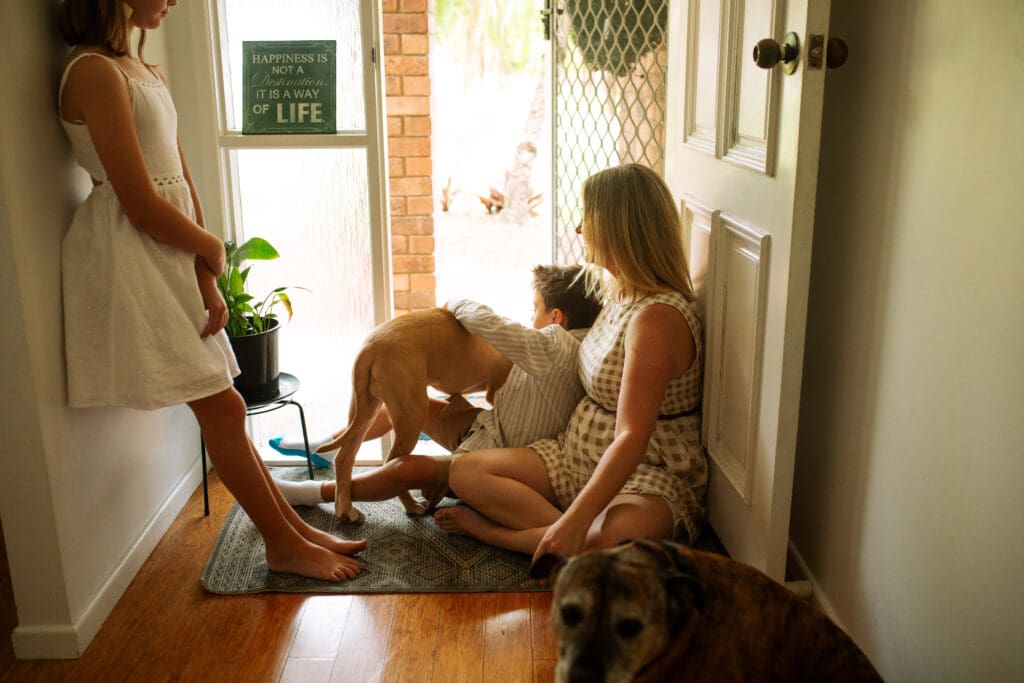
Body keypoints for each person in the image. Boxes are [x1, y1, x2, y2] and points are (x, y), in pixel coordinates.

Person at [57, 0, 366, 581]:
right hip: (135, 256)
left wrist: (208, 271)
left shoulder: (142, 70)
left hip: (173, 253)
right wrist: (212, 248)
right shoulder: (93, 71)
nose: (173, 2)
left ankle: (295, 531)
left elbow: (180, 178)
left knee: (225, 399)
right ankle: (283, 543)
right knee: (224, 406)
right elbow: (141, 201)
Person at [434, 164, 708, 563]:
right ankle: (563, 537)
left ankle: (509, 534)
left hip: (648, 472)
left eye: (588, 219)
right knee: (463, 472)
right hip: (575, 454)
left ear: (618, 227)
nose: (579, 229)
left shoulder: (656, 319)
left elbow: (632, 437)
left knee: (606, 538)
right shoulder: (618, 293)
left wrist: (575, 521)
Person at [274, 264, 603, 509]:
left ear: (556, 318)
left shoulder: (551, 346)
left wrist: (453, 301)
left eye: (536, 310)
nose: (531, 317)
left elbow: (485, 321)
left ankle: (316, 493)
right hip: (487, 429)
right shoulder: (582, 347)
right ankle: (328, 444)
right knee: (405, 404)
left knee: (404, 467)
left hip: (489, 455)